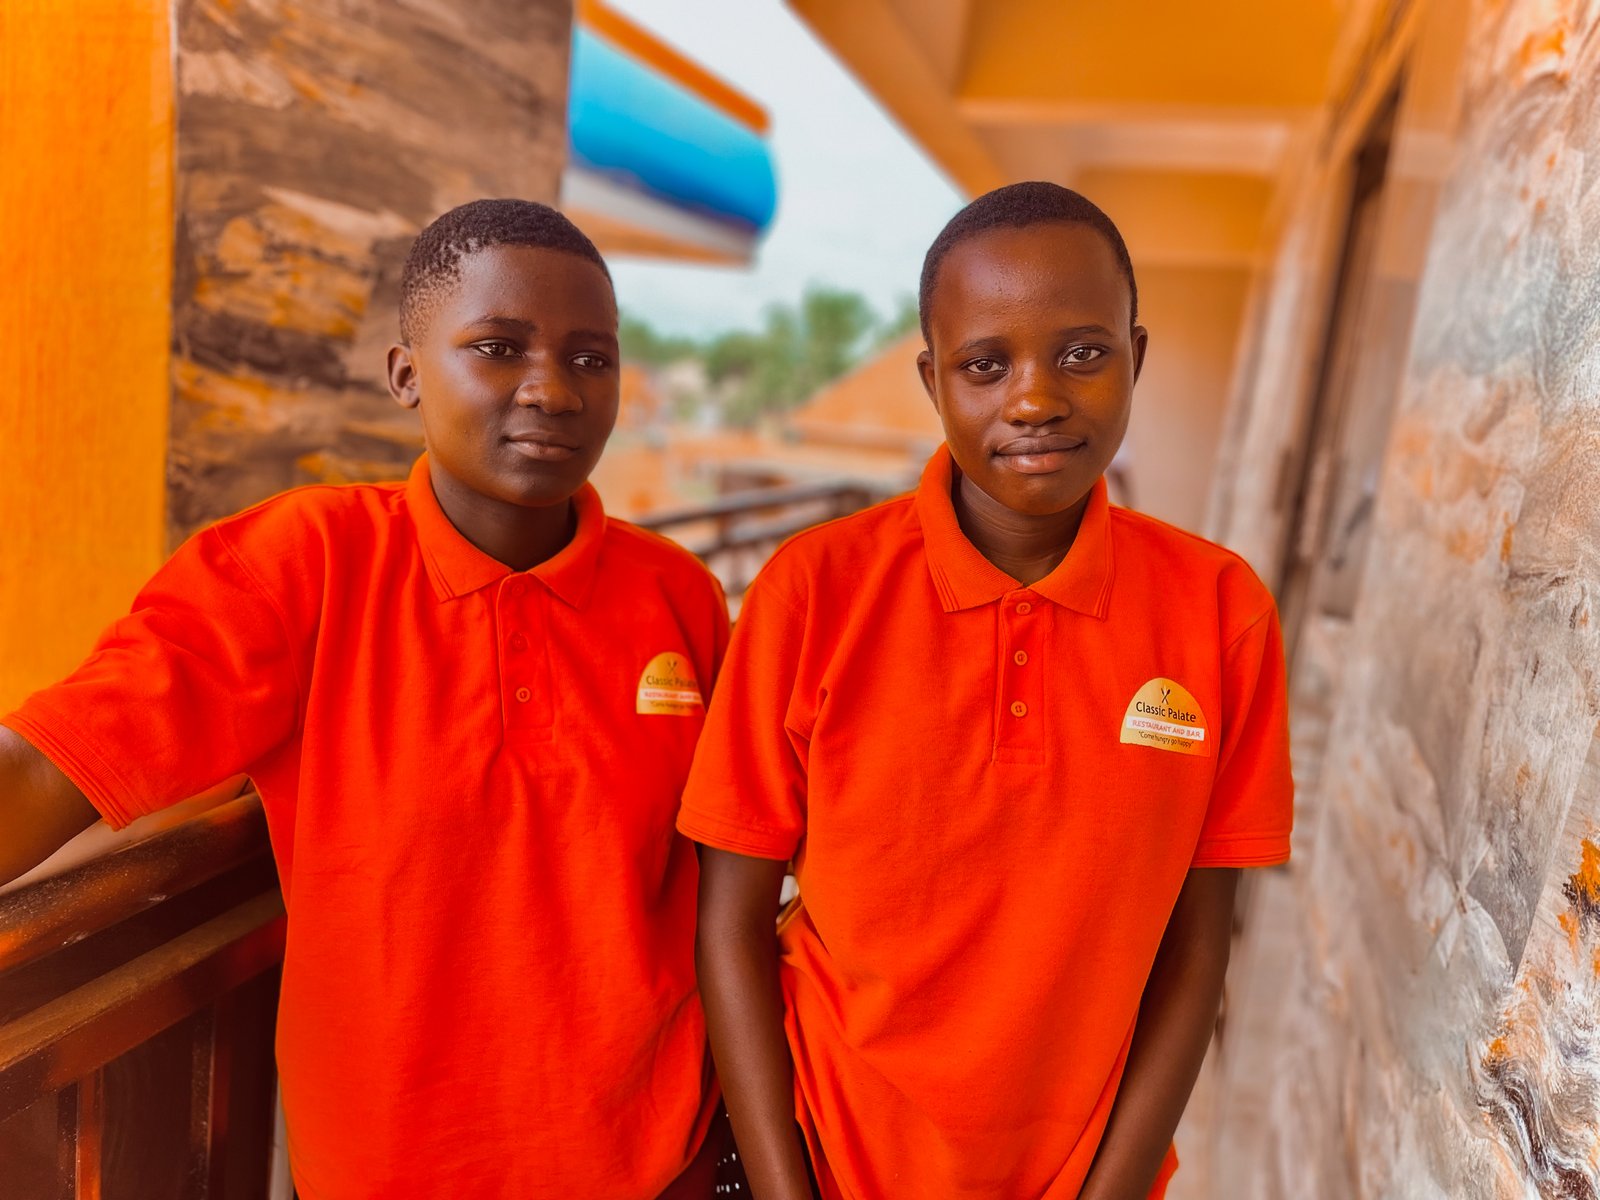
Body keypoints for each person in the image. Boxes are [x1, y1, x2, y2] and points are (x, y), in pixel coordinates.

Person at [0, 199, 729, 1200]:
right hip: (389, 1163)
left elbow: (732, 869)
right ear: (405, 375)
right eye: (498, 347)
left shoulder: (676, 595)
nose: (553, 389)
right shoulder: (304, 565)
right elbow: (51, 762)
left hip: (649, 1159)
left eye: (591, 359)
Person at [680, 181, 1294, 1200]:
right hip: (823, 1154)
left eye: (1083, 354)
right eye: (984, 364)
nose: (1035, 396)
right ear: (934, 380)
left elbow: (1197, 946)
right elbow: (729, 921)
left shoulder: (1218, 610)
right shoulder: (815, 591)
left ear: (1135, 359)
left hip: (1076, 1173)